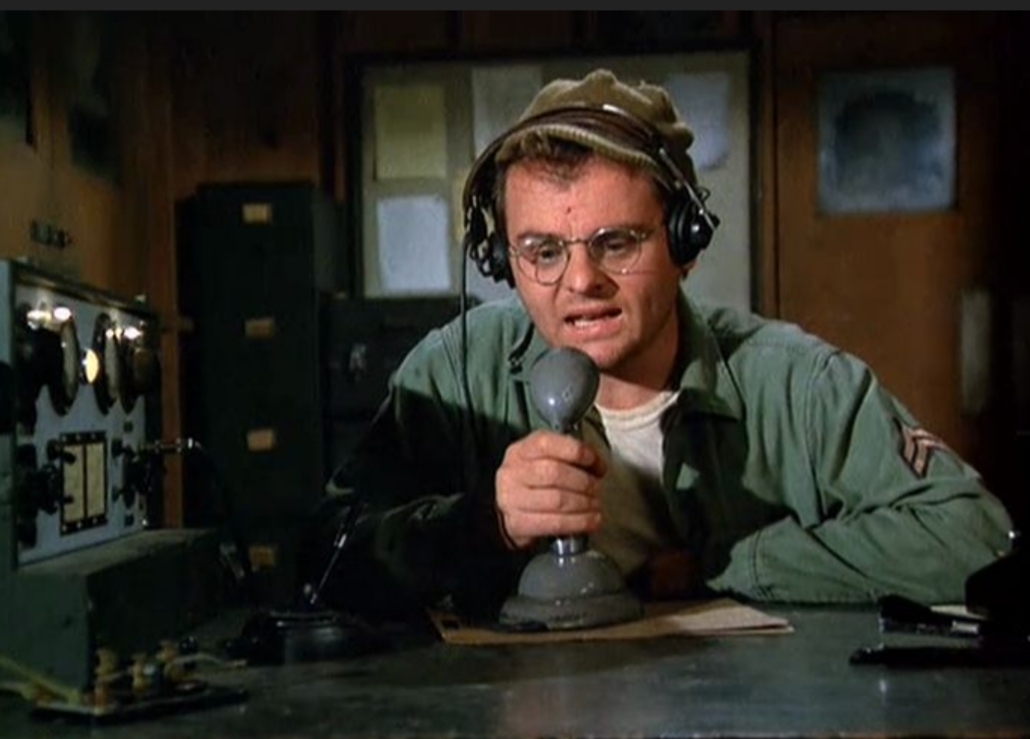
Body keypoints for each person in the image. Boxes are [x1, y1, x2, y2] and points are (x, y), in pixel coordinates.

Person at [301, 68, 1014, 622]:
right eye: (542, 251)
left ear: (685, 243)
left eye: (616, 242)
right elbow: (324, 557)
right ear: (501, 260)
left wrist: (730, 563)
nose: (581, 281)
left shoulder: (798, 385)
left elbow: (973, 535)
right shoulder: (453, 373)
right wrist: (484, 523)